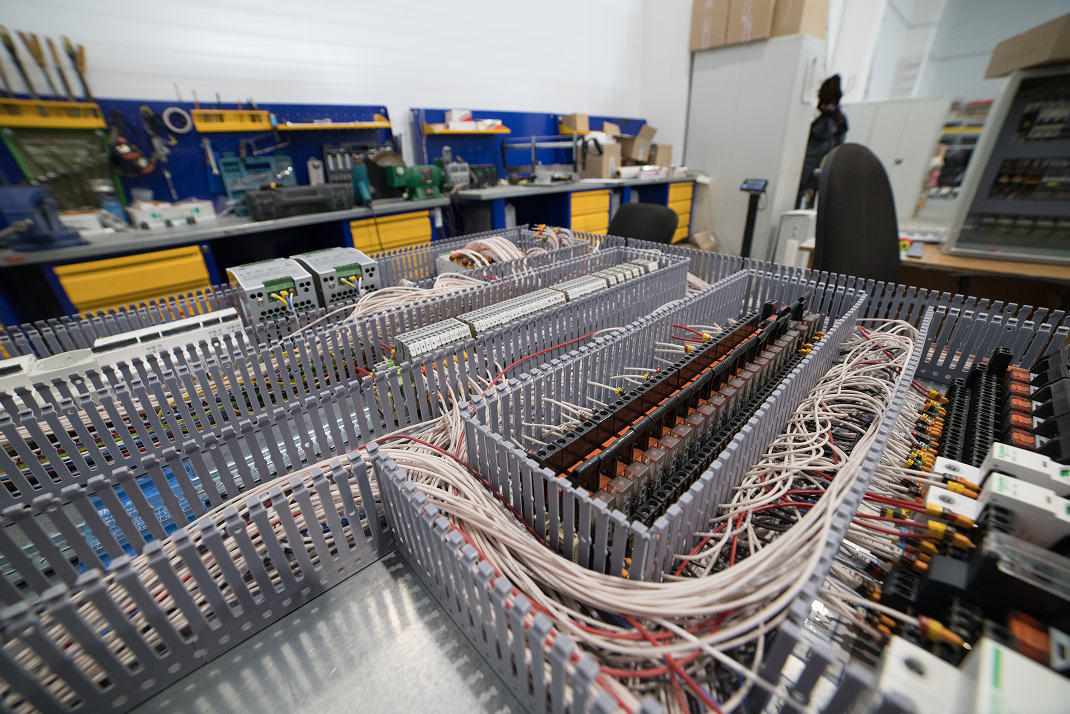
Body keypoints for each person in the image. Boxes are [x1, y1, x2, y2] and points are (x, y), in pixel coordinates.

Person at [796, 74, 849, 209]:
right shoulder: (839, 119)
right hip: (824, 175)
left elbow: (812, 155)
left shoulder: (826, 123)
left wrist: (798, 179)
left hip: (809, 175)